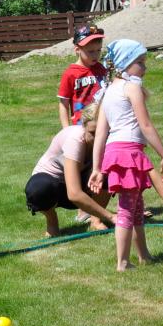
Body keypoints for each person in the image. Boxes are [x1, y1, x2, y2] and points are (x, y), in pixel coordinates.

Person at [89, 39, 163, 271]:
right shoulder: (131, 88)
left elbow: (101, 133)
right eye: (140, 62)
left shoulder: (108, 92)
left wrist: (97, 168)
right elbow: (146, 125)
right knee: (126, 210)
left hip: (115, 152)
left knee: (136, 206)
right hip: (128, 152)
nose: (145, 67)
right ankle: (122, 262)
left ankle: (144, 256)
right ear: (124, 64)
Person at [25, 102, 116, 237]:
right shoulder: (75, 139)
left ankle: (95, 220)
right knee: (39, 190)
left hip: (79, 182)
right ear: (83, 126)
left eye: (101, 133)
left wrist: (134, 208)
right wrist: (112, 217)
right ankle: (52, 221)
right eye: (92, 133)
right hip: (53, 185)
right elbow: (74, 194)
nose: (97, 139)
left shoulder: (109, 139)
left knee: (111, 173)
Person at [58, 23, 107, 224]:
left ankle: (95, 206)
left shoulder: (101, 69)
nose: (95, 55)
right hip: (80, 128)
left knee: (100, 164)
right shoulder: (71, 73)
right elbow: (63, 103)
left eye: (98, 50)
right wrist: (67, 130)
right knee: (82, 167)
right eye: (90, 51)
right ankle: (82, 208)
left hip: (101, 125)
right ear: (77, 49)